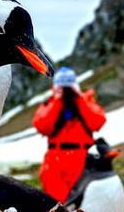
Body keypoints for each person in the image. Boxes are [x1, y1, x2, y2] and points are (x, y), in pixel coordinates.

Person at [32, 67, 106, 202]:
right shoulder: (49, 103)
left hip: (83, 160)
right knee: (59, 208)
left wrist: (79, 98)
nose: (66, 91)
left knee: (87, 204)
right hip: (55, 163)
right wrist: (57, 101)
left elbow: (98, 122)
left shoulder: (85, 101)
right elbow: (42, 126)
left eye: (68, 87)